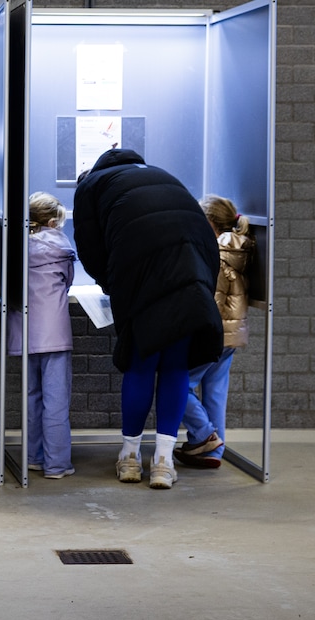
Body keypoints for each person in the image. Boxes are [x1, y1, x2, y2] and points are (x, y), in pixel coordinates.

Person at [73, 148, 222, 489]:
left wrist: (114, 286)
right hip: (193, 270)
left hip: (140, 273)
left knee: (141, 362)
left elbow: (90, 250)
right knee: (175, 365)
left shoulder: (91, 184)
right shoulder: (161, 174)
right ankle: (163, 464)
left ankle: (129, 459)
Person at [175, 195, 256, 468]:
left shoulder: (216, 255)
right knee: (215, 392)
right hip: (232, 335)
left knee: (177, 384)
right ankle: (213, 452)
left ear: (210, 223)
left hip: (212, 334)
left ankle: (205, 436)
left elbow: (212, 301)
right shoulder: (240, 250)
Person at [7, 192, 77, 479]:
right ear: (51, 222)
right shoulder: (61, 246)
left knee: (32, 398)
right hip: (55, 334)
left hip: (23, 332)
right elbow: (68, 281)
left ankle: (34, 457)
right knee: (56, 400)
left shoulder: (15, 247)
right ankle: (58, 464)